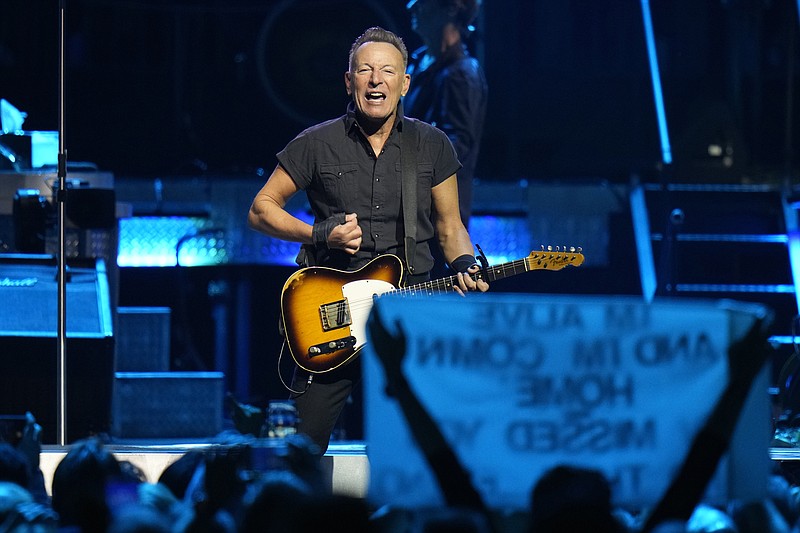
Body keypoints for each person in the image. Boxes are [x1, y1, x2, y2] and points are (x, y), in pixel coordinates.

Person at [247, 26, 489, 455]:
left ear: (405, 83)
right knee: (300, 451)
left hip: (405, 317)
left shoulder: (432, 145)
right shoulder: (316, 143)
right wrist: (320, 232)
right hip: (332, 318)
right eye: (366, 71)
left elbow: (451, 229)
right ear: (349, 80)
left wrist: (464, 265)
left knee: (423, 449)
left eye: (388, 71)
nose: (376, 80)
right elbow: (261, 208)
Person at [404, 0, 488, 230]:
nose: (412, 7)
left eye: (423, 2)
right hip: (409, 212)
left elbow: (456, 147)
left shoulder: (460, 74)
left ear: (451, 9)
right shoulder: (417, 63)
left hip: (436, 220)